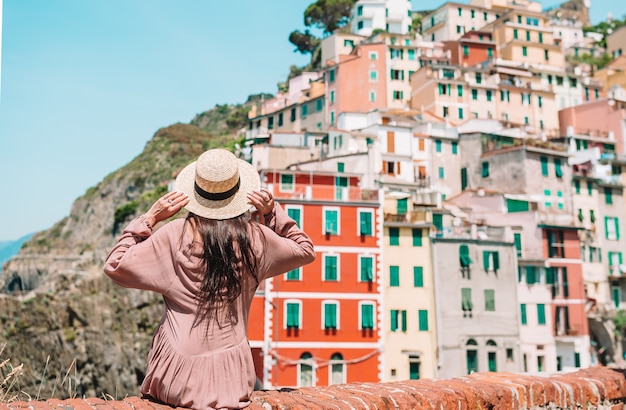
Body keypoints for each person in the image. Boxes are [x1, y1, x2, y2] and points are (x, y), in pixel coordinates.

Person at [103, 148, 316, 409]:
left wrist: (149, 218)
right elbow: (305, 250)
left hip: (176, 377)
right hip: (234, 381)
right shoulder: (256, 239)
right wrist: (273, 213)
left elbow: (114, 264)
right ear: (238, 194)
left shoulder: (174, 235)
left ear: (195, 193)